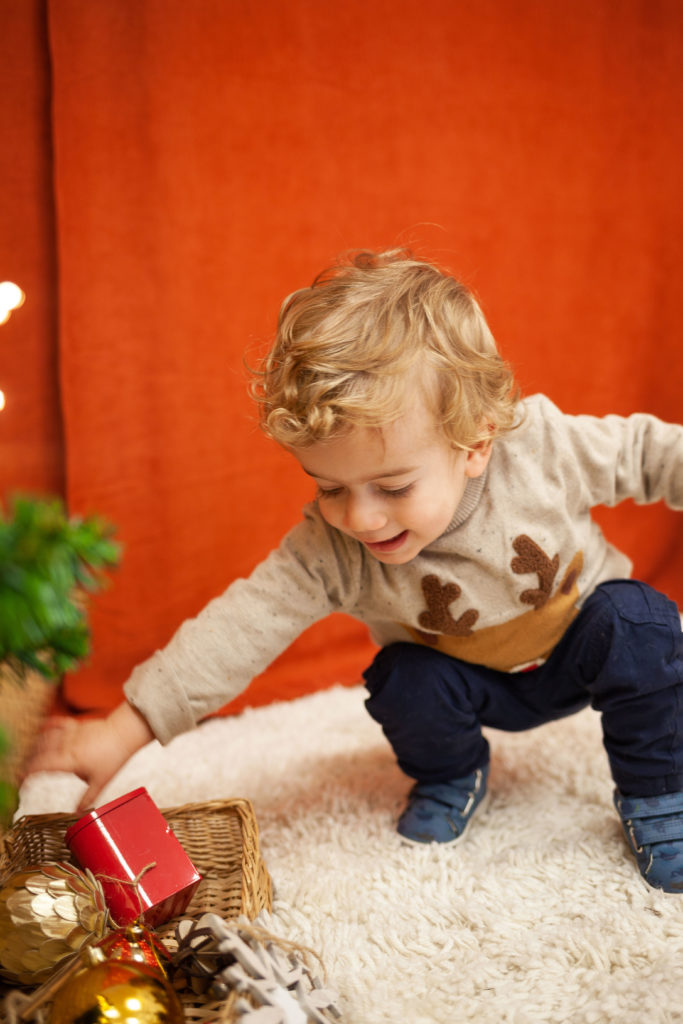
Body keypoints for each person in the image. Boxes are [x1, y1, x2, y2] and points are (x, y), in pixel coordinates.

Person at [25, 249, 683, 892]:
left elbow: (650, 453)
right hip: (469, 686)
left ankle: (657, 794)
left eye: (392, 486)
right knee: (401, 678)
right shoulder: (331, 549)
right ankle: (451, 772)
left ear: (475, 443)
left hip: (581, 650)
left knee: (641, 621)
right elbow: (240, 626)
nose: (361, 518)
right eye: (329, 487)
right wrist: (122, 728)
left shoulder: (540, 446)